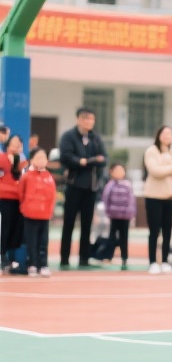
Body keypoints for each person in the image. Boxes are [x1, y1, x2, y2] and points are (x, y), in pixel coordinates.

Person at [58, 107, 107, 268]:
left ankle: (84, 258)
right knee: (69, 224)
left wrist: (86, 161)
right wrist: (84, 161)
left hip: (91, 188)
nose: (89, 122)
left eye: (91, 119)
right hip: (74, 186)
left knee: (87, 225)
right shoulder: (68, 136)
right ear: (78, 119)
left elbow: (104, 159)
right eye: (85, 118)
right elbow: (66, 157)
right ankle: (64, 258)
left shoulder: (96, 138)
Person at [143, 125, 172, 275]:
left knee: (168, 230)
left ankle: (165, 261)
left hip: (170, 196)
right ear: (159, 135)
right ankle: (152, 262)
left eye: (170, 133)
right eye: (164, 133)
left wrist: (170, 166)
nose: (167, 136)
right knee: (154, 231)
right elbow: (155, 171)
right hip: (153, 196)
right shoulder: (151, 151)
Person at [18, 147, 57, 277]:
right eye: (38, 157)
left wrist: (50, 210)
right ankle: (32, 264)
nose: (41, 160)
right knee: (31, 241)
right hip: (30, 214)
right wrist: (25, 207)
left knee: (43, 241)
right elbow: (21, 193)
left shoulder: (49, 177)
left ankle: (43, 265)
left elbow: (52, 195)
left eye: (44, 157)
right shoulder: (27, 176)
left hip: (45, 215)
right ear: (31, 160)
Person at [101, 162, 137, 270]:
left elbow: (132, 200)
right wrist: (107, 212)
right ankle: (108, 256)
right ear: (111, 172)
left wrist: (131, 213)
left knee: (124, 237)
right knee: (111, 236)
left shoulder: (128, 185)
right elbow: (105, 199)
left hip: (125, 216)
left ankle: (124, 257)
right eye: (116, 170)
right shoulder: (110, 185)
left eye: (121, 170)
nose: (119, 172)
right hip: (113, 215)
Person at [1, 133, 27, 273]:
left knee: (16, 229)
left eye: (20, 144)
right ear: (8, 145)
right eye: (14, 143)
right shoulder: (2, 158)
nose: (17, 146)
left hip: (19, 199)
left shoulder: (24, 162)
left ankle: (11, 258)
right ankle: (2, 256)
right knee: (5, 228)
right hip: (4, 198)